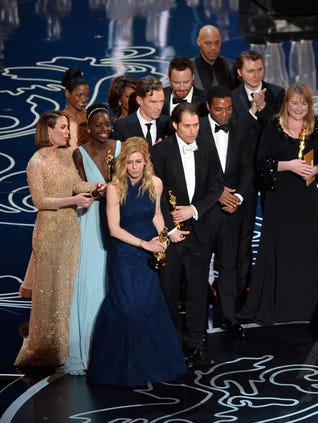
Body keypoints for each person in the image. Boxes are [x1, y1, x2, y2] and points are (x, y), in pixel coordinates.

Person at [87, 137, 187, 387]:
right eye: (129, 162)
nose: (134, 167)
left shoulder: (155, 184)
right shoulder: (114, 188)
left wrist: (163, 238)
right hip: (125, 254)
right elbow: (114, 229)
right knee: (127, 307)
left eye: (138, 162)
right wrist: (145, 244)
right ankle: (123, 368)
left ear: (146, 162)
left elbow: (156, 215)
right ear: (123, 164)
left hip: (148, 253)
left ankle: (150, 366)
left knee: (147, 305)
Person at [15, 111, 104, 367]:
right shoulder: (36, 162)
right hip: (49, 231)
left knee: (67, 288)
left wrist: (96, 186)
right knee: (48, 290)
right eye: (63, 128)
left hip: (70, 229)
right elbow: (40, 201)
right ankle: (45, 345)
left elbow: (76, 184)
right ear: (49, 130)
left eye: (67, 127)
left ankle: (65, 345)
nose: (67, 132)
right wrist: (73, 201)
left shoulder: (67, 155)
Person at [238, 82, 318, 325]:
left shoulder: (317, 126)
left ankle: (305, 307)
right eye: (294, 103)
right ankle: (276, 306)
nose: (298, 108)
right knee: (279, 245)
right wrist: (290, 165)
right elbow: (262, 163)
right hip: (279, 196)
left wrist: (316, 169)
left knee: (304, 247)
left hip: (305, 196)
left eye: (303, 104)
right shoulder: (273, 126)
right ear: (286, 103)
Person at [150, 103, 222, 368]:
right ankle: (172, 347)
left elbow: (216, 185)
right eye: (187, 126)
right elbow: (155, 194)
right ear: (175, 125)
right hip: (171, 235)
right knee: (169, 292)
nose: (193, 131)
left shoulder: (207, 147)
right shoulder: (160, 152)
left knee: (197, 292)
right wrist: (169, 228)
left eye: (196, 125)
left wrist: (194, 209)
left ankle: (196, 346)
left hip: (200, 231)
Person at [61, 104, 121, 375]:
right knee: (92, 278)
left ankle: (113, 347)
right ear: (88, 127)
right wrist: (97, 192)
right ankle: (89, 347)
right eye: (98, 125)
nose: (104, 129)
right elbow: (79, 188)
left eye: (107, 124)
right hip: (90, 220)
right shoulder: (79, 153)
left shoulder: (120, 148)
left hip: (117, 219)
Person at [198, 86, 254, 334]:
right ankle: (198, 318)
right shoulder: (196, 128)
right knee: (200, 264)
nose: (224, 114)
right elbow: (192, 169)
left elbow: (248, 168)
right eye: (219, 109)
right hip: (204, 210)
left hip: (233, 209)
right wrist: (217, 194)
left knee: (230, 264)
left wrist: (238, 198)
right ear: (208, 107)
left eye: (228, 109)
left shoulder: (241, 127)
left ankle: (229, 316)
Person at [230, 49, 285, 304]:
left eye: (259, 69)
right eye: (250, 71)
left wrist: (263, 110)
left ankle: (275, 286)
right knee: (243, 235)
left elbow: (281, 130)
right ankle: (242, 289)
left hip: (274, 170)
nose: (256, 75)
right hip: (244, 174)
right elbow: (234, 134)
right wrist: (253, 112)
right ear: (239, 72)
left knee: (277, 229)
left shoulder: (277, 93)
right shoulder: (231, 98)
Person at [111, 75, 172, 147]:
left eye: (161, 101)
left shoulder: (169, 124)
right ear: (139, 100)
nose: (159, 107)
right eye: (153, 102)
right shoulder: (121, 127)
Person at [191, 25, 239, 92]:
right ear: (198, 42)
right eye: (208, 43)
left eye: (217, 43)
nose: (213, 47)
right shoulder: (189, 68)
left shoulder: (232, 66)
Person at [61, 68, 90, 148]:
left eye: (86, 95)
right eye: (79, 95)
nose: (84, 99)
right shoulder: (59, 119)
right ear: (67, 93)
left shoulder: (91, 115)